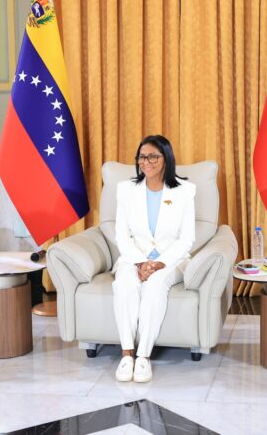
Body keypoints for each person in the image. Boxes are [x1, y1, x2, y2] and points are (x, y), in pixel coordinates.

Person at [112, 135, 196, 383]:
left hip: (172, 260)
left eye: (152, 156)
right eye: (142, 157)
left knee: (155, 285)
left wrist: (158, 264)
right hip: (133, 258)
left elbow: (187, 239)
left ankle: (143, 357)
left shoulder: (185, 191)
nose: (145, 162)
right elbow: (121, 235)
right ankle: (127, 354)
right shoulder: (126, 190)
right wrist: (140, 262)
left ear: (166, 159)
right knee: (124, 284)